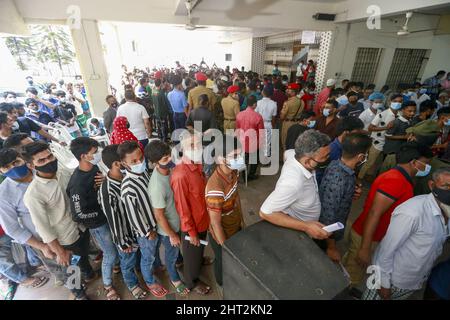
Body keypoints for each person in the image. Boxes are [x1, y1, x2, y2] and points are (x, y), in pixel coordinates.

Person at [343, 143, 433, 287]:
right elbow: (374, 213)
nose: (427, 168)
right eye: (426, 164)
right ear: (414, 162)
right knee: (352, 274)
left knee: (350, 266)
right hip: (366, 237)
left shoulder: (401, 178)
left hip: (370, 235)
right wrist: (365, 248)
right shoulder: (396, 180)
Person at [362, 167, 450, 300]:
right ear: (432, 185)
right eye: (446, 186)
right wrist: (383, 283)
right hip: (391, 281)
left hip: (412, 282)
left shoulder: (446, 209)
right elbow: (386, 250)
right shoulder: (413, 212)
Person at [22, 142, 95, 300]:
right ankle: (80, 294)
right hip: (65, 239)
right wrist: (59, 251)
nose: (48, 161)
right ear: (30, 165)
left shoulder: (63, 172)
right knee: (71, 269)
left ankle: (89, 274)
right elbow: (43, 227)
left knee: (83, 256)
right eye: (41, 160)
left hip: (81, 228)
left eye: (50, 156)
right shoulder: (33, 195)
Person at [67, 137, 121, 300]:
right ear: (83, 156)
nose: (97, 155)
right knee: (109, 253)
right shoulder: (77, 183)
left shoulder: (94, 167)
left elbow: (97, 189)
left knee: (115, 246)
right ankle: (108, 285)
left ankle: (117, 267)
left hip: (107, 217)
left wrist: (104, 181)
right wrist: (100, 213)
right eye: (94, 152)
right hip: (97, 223)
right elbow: (78, 214)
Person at [0, 149, 55, 291]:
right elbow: (12, 228)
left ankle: (88, 274)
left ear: (24, 159)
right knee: (66, 269)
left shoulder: (43, 170)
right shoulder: (4, 194)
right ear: (1, 171)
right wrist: (41, 246)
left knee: (82, 258)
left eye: (16, 162)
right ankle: (78, 290)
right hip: (44, 239)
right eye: (7, 167)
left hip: (67, 227)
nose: (14, 168)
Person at [98, 145, 149, 300]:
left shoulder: (127, 175)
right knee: (127, 262)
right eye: (130, 161)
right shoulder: (108, 192)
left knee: (138, 257)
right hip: (125, 235)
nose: (137, 163)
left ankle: (141, 271)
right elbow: (114, 221)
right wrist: (123, 242)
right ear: (118, 164)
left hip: (137, 229)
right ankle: (132, 284)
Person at [259, 130, 331, 239]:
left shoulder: (294, 154)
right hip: (300, 234)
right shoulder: (293, 183)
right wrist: (306, 227)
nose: (328, 159)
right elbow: (265, 212)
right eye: (324, 157)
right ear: (307, 161)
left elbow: (286, 153)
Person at [118, 141, 167, 298]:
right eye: (134, 161)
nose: (139, 162)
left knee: (155, 252)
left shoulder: (144, 173)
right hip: (147, 231)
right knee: (147, 257)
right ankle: (150, 281)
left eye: (140, 158)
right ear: (124, 164)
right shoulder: (128, 188)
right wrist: (147, 232)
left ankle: (157, 266)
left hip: (156, 223)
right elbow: (133, 216)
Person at [145, 140, 190, 296]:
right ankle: (175, 279)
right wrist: (171, 234)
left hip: (179, 222)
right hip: (168, 229)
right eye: (165, 160)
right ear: (154, 163)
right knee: (170, 256)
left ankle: (181, 260)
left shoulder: (169, 171)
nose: (170, 160)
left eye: (169, 156)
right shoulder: (157, 186)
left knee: (176, 251)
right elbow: (159, 215)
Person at [319, 133, 371, 262]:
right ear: (361, 157)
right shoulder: (339, 179)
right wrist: (331, 247)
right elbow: (328, 216)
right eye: (366, 154)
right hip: (325, 234)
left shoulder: (337, 164)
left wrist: (351, 190)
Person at [170, 131, 211, 295]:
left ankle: (198, 263)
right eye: (192, 145)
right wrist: (191, 232)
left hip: (202, 219)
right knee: (191, 256)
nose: (197, 148)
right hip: (191, 225)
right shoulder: (180, 175)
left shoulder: (197, 165)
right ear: (182, 149)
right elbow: (182, 208)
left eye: (199, 144)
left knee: (198, 250)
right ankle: (191, 281)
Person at [206, 135, 244, 287]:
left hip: (234, 223)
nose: (239, 158)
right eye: (235, 156)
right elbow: (215, 224)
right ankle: (222, 283)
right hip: (222, 230)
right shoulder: (215, 188)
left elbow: (236, 196)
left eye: (240, 154)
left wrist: (242, 220)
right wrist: (225, 246)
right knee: (223, 259)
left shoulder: (234, 171)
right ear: (221, 159)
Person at [357, 94, 403, 181]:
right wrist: (386, 127)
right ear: (390, 102)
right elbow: (370, 128)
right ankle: (359, 178)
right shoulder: (382, 114)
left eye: (400, 102)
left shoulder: (400, 115)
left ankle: (369, 176)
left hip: (389, 143)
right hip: (378, 142)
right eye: (395, 101)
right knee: (370, 162)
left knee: (378, 162)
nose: (398, 103)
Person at [380, 101, 417, 173]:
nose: (412, 113)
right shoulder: (396, 122)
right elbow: (387, 135)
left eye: (414, 111)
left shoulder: (410, 121)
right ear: (402, 110)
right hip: (392, 152)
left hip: (400, 151)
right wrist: (404, 137)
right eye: (409, 111)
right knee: (387, 171)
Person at [236, 95, 264, 180]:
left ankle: (243, 175)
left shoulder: (239, 115)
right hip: (253, 143)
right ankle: (251, 175)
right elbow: (261, 133)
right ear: (255, 104)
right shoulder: (258, 116)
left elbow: (237, 129)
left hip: (242, 141)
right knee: (254, 160)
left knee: (243, 159)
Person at [280, 83, 303, 151]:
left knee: (285, 142)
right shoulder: (302, 102)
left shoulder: (287, 103)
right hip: (298, 124)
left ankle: (286, 157)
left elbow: (282, 117)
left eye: (289, 90)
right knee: (294, 142)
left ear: (294, 92)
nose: (287, 91)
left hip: (288, 124)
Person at [255, 88, 277, 158]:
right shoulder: (274, 104)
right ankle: (265, 159)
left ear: (263, 93)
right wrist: (273, 126)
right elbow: (274, 117)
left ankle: (258, 156)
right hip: (268, 124)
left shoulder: (258, 102)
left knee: (258, 140)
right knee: (267, 142)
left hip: (259, 123)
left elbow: (255, 115)